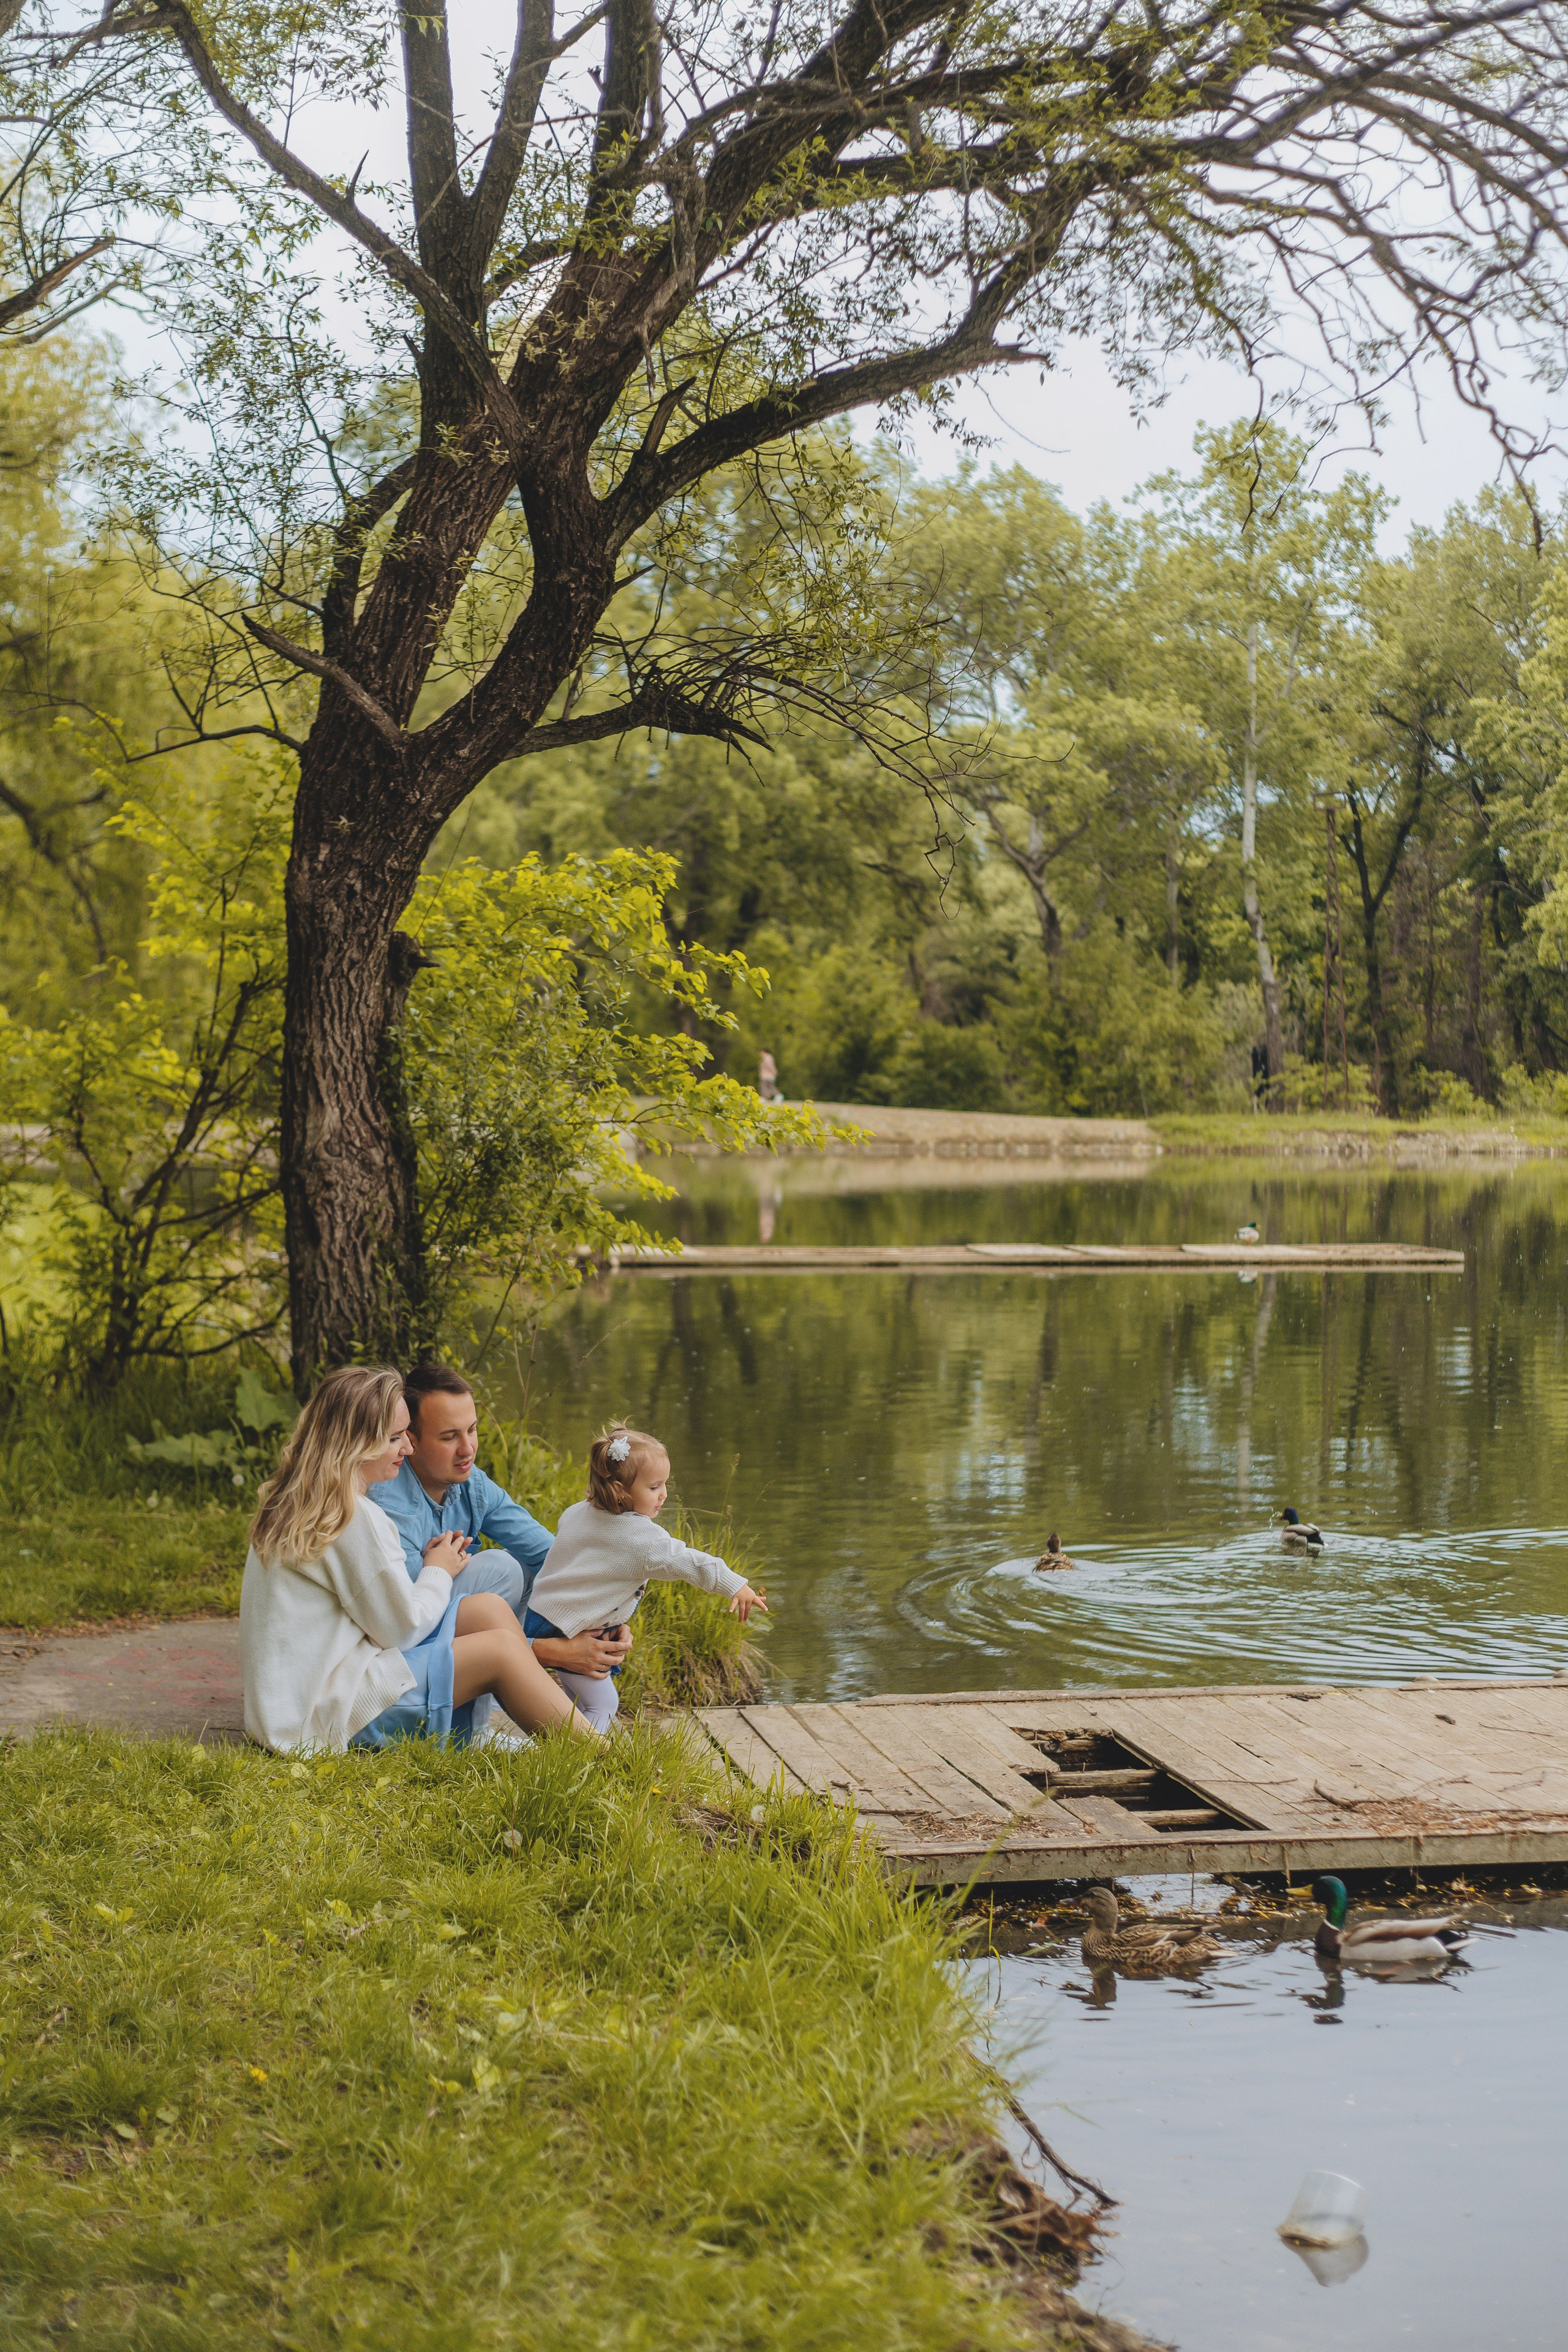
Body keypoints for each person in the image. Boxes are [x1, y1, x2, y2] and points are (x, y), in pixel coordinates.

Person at [240, 1365, 595, 1752]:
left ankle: (473, 1735)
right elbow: (402, 1630)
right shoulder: (353, 1517)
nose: (407, 1449)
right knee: (501, 1652)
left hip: (307, 1701)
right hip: (328, 1718)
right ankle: (607, 1759)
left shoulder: (311, 1501)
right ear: (356, 1443)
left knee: (490, 1610)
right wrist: (437, 1571)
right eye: (395, 1438)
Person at [369, 1363, 633, 1743]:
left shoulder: (470, 1483)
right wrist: (556, 1652)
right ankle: (486, 1713)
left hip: (444, 1630)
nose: (468, 1449)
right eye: (449, 1437)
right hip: (402, 1656)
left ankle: (497, 1707)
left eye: (472, 1430)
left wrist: (604, 1615)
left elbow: (553, 1558)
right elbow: (406, 1625)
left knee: (521, 1568)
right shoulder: (388, 1506)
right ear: (410, 1440)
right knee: (500, 1569)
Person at [526, 1421, 769, 1731]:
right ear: (619, 1490)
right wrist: (736, 1584)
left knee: (578, 1699)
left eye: (665, 1484)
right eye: (654, 1487)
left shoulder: (577, 1512)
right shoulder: (641, 1538)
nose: (664, 1495)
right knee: (603, 1704)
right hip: (574, 1627)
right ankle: (585, 1754)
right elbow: (690, 1563)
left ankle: (563, 1745)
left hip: (543, 1616)